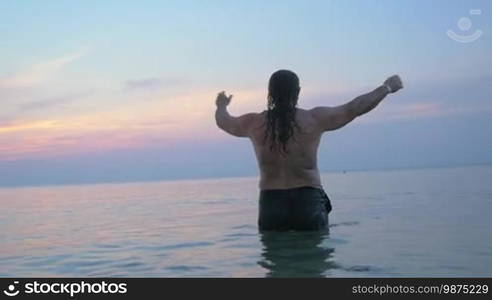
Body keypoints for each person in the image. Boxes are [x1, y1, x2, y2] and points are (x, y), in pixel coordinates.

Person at [215, 70, 403, 231]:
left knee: (276, 267)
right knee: (314, 264)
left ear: (270, 93)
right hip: (307, 200)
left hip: (271, 203)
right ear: (298, 92)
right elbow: (354, 108)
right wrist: (386, 87)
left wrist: (221, 105)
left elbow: (224, 122)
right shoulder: (313, 119)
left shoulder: (253, 123)